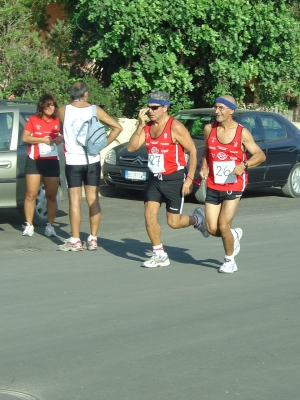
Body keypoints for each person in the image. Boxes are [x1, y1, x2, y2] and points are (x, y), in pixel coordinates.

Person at [127, 91, 208, 268]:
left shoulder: (175, 127)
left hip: (174, 179)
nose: (150, 111)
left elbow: (193, 151)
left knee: (174, 222)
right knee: (149, 215)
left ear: (165, 108)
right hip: (154, 179)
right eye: (149, 107)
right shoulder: (148, 127)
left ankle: (198, 220)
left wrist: (189, 179)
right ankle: (159, 254)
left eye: (155, 107)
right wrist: (140, 126)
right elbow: (132, 147)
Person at [196, 94, 266, 273]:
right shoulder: (208, 129)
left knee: (223, 225)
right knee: (212, 228)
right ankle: (233, 236)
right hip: (213, 183)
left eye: (221, 108)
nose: (216, 111)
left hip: (234, 183)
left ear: (231, 111)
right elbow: (205, 151)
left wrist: (244, 164)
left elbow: (260, 155)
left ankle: (229, 260)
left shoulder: (241, 132)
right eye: (215, 107)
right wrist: (204, 166)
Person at [57, 80, 123, 251]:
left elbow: (60, 132)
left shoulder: (62, 111)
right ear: (86, 94)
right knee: (93, 199)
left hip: (73, 160)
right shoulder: (95, 110)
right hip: (92, 160)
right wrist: (103, 144)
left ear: (71, 94)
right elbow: (117, 127)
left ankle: (75, 240)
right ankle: (93, 239)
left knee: (74, 200)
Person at [22, 94, 62, 237]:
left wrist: (59, 138)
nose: (51, 107)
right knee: (31, 195)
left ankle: (50, 226)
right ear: (42, 106)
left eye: (53, 105)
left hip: (51, 161)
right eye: (48, 105)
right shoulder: (33, 120)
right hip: (35, 160)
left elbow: (63, 135)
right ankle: (29, 225)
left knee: (51, 196)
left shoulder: (57, 120)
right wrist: (43, 140)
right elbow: (25, 137)